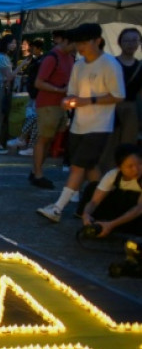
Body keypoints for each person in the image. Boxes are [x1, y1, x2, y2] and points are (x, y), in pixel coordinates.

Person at [38, 23, 125, 223]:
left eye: (85, 43)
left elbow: (118, 95)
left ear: (98, 41)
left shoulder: (110, 65)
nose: (81, 47)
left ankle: (58, 208)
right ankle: (100, 204)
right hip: (79, 124)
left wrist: (90, 100)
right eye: (78, 43)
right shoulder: (78, 65)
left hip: (100, 125)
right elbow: (71, 93)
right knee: (90, 166)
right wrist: (67, 101)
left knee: (77, 166)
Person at [28, 31, 75, 189]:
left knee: (48, 139)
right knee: (43, 138)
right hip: (48, 104)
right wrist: (60, 90)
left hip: (60, 105)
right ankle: (38, 173)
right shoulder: (52, 57)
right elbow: (39, 83)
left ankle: (37, 171)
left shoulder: (69, 58)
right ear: (67, 41)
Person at [77, 144, 142, 238]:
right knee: (93, 187)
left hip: (137, 213)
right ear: (119, 167)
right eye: (130, 166)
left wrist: (111, 225)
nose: (136, 170)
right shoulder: (113, 174)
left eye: (140, 164)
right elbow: (94, 201)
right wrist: (86, 214)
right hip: (122, 208)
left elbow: (139, 208)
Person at [100, 28, 142, 170]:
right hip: (111, 107)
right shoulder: (111, 63)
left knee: (128, 144)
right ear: (120, 43)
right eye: (127, 40)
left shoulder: (140, 66)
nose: (131, 44)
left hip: (131, 109)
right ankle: (106, 175)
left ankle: (124, 174)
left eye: (134, 40)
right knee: (109, 144)